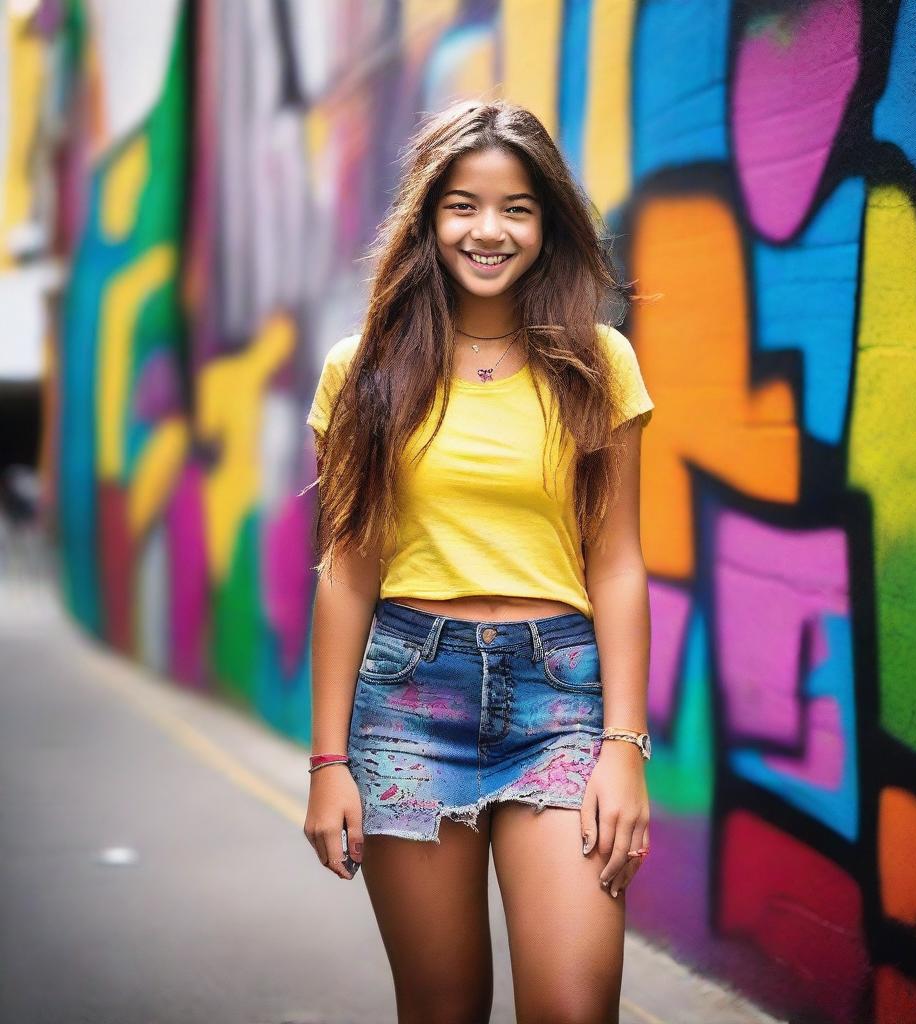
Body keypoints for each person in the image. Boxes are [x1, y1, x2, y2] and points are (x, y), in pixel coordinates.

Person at [302, 98, 655, 1024]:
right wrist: (326, 760)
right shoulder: (364, 368)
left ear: (549, 224)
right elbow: (348, 567)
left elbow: (616, 565)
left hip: (561, 703)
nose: (488, 230)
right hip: (409, 703)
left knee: (576, 1007)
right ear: (427, 216)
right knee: (441, 1006)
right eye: (462, 204)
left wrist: (623, 747)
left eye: (517, 208)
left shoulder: (598, 364)